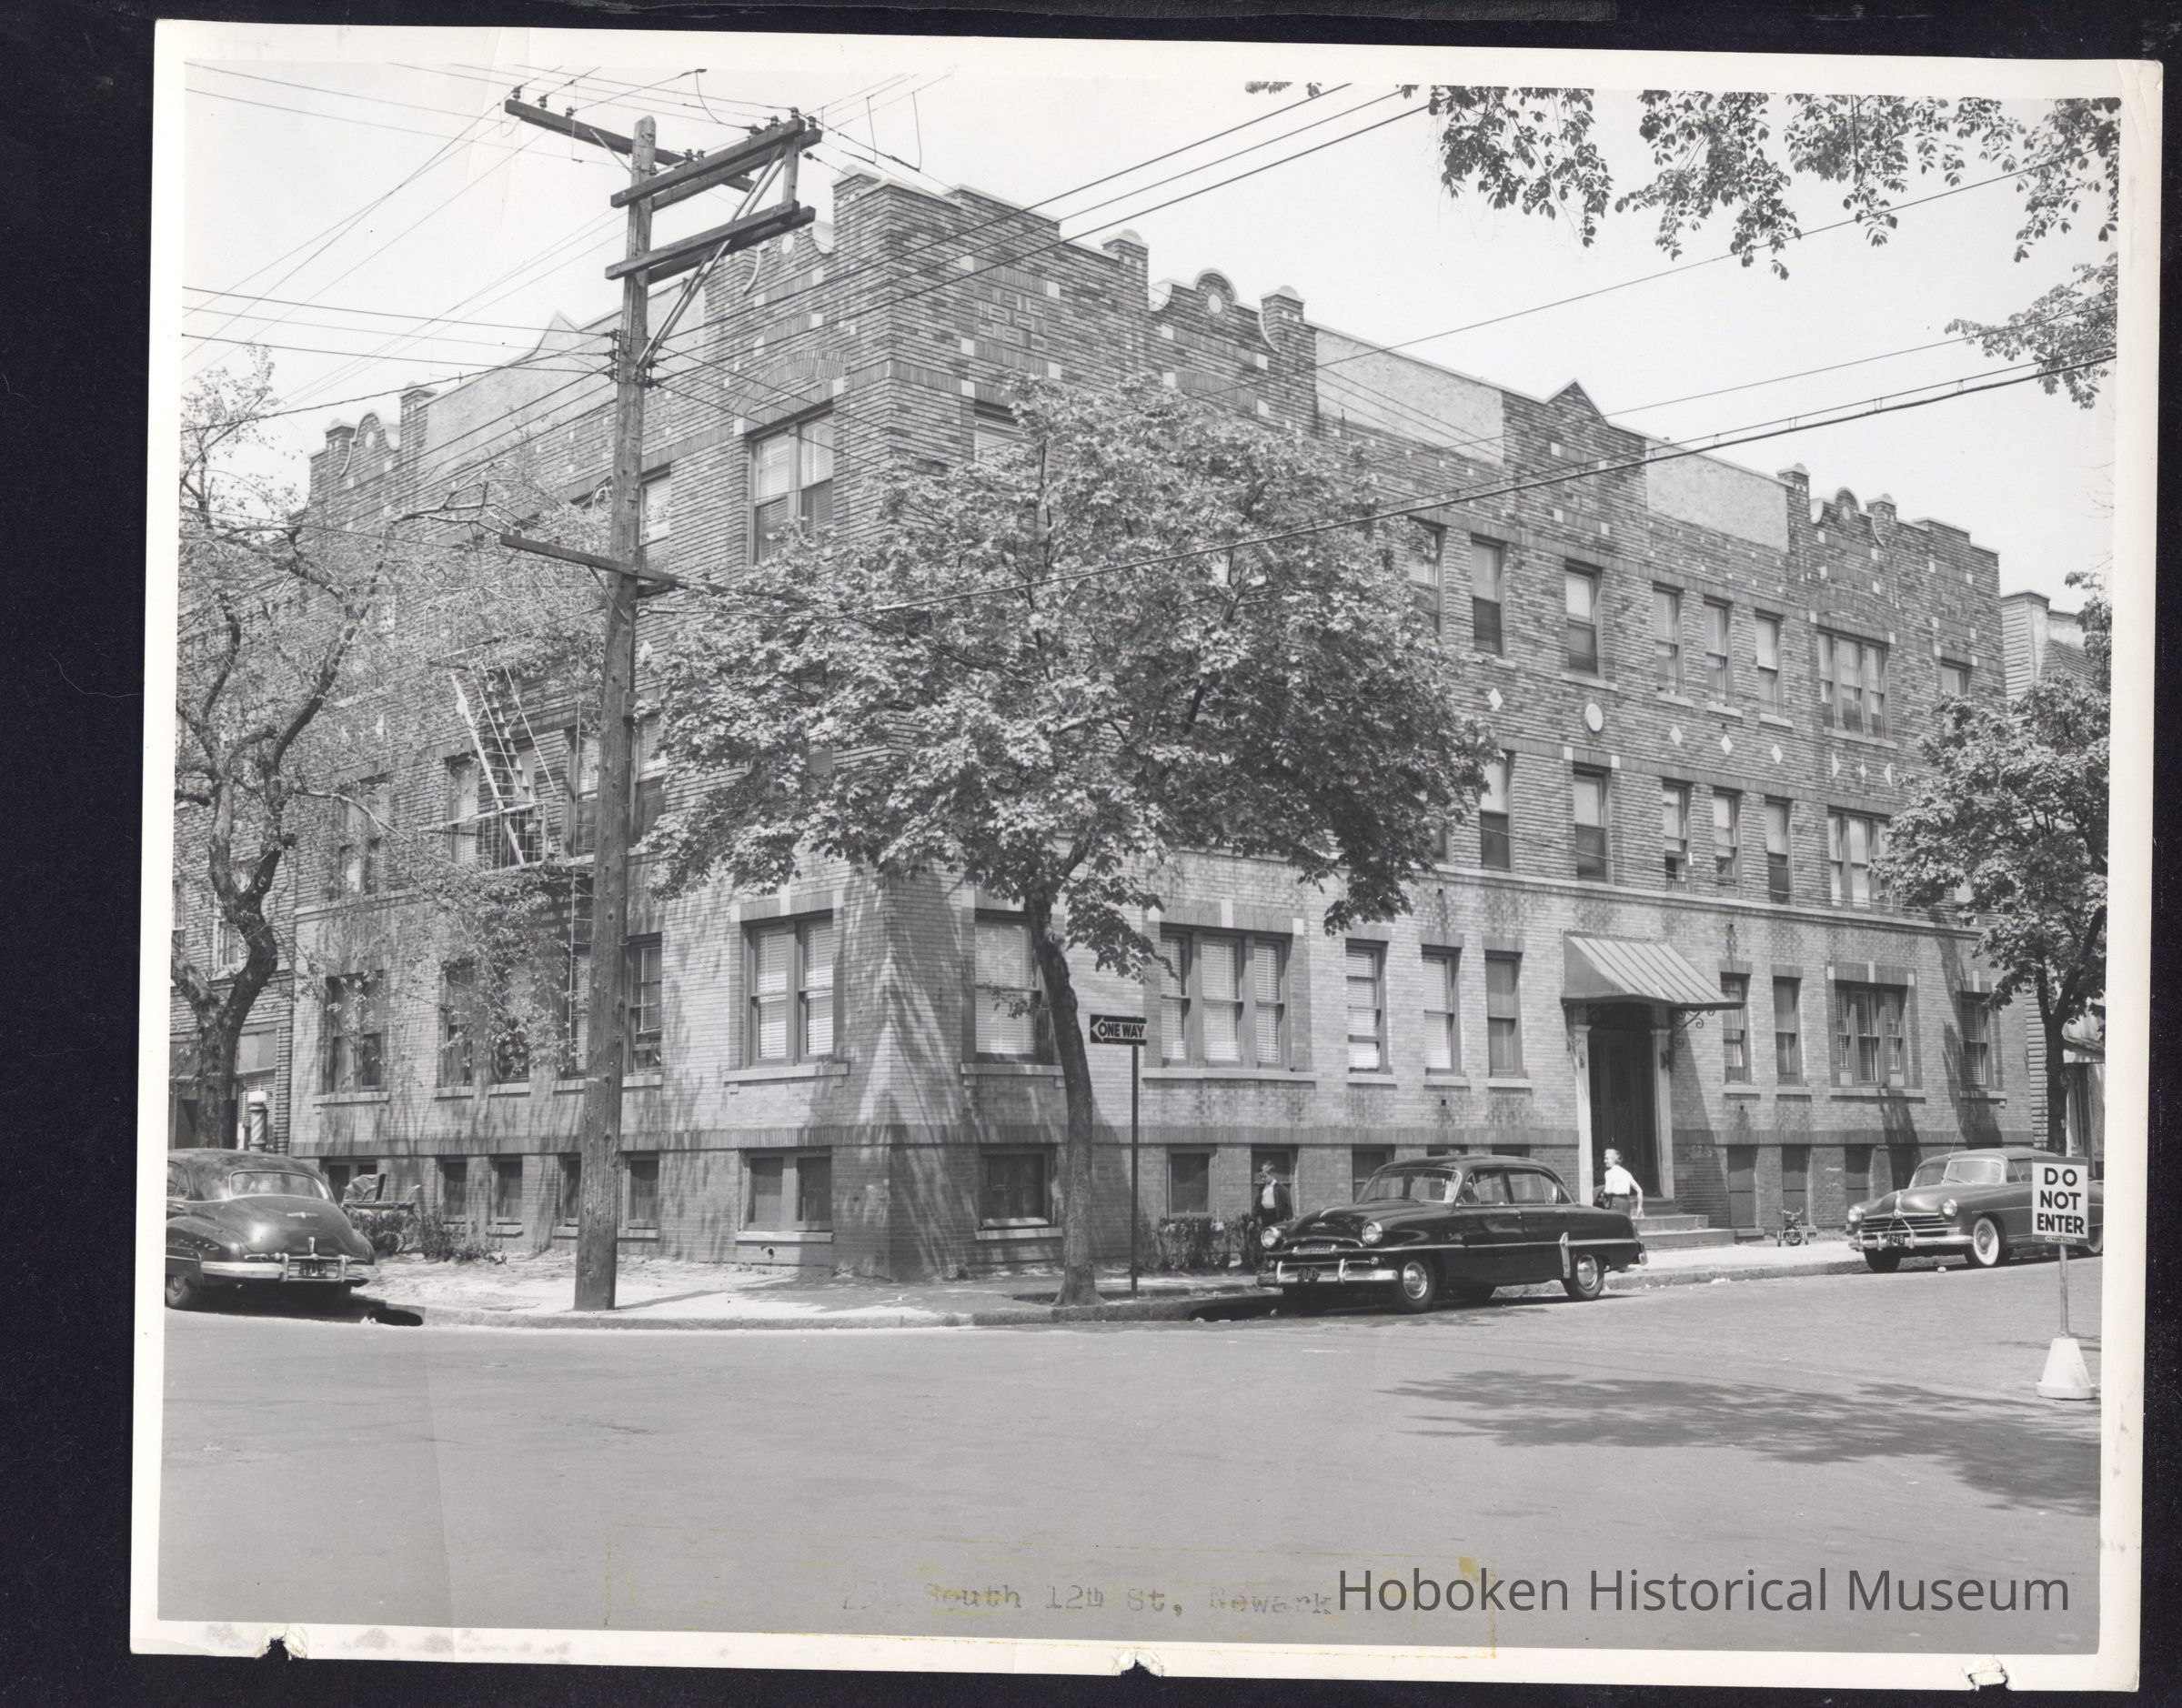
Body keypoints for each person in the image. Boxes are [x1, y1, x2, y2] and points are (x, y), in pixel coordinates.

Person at [1599, 1149, 1644, 1220]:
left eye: (1606, 1159)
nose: (1605, 1161)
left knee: (1614, 1226)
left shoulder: (1608, 1173)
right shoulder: (1626, 1173)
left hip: (1615, 1202)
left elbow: (1607, 1191)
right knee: (1625, 1225)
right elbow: (1640, 1190)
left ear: (1613, 1159)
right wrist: (1639, 1207)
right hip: (1626, 1202)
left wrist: (1601, 1193)